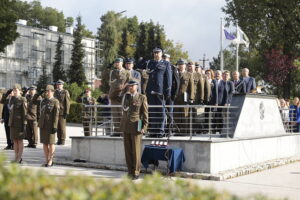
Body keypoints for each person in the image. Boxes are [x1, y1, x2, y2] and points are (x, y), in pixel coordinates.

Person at [120, 80, 148, 180]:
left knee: (136, 151)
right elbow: (123, 110)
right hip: (125, 126)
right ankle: (130, 171)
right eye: (129, 86)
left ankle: (136, 171)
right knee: (128, 151)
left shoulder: (141, 97)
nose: (130, 87)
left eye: (132, 86)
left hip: (136, 126)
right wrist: (125, 97)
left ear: (137, 86)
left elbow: (145, 114)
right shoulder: (126, 97)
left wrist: (144, 127)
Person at [145, 48, 172, 137]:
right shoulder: (150, 63)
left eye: (158, 53)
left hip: (160, 91)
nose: (156, 54)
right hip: (150, 90)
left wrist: (168, 90)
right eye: (155, 53)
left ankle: (160, 130)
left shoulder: (166, 63)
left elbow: (168, 78)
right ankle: (153, 130)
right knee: (152, 110)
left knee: (161, 111)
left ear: (161, 54)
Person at [108, 58, 131, 136]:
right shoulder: (113, 72)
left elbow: (128, 84)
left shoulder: (127, 72)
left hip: (123, 96)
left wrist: (127, 93)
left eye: (118, 62)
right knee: (115, 114)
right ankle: (117, 131)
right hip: (114, 95)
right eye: (115, 62)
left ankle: (122, 131)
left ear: (122, 63)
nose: (116, 64)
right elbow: (113, 83)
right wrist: (122, 86)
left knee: (122, 114)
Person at [39, 85, 60, 167]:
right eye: (46, 91)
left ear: (52, 92)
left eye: (49, 91)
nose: (47, 92)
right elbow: (41, 113)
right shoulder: (43, 101)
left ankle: (51, 160)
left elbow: (56, 115)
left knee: (51, 143)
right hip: (43, 124)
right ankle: (46, 159)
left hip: (51, 125)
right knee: (44, 143)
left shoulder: (55, 101)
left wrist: (55, 126)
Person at [174, 59, 195, 135]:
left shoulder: (189, 74)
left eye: (182, 65)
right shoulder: (175, 74)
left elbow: (191, 87)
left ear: (185, 66)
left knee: (184, 115)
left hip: (185, 98)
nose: (180, 66)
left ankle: (184, 131)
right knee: (176, 115)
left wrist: (191, 98)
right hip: (176, 98)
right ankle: (177, 131)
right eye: (179, 64)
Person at [9, 84, 27, 163]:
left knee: (19, 140)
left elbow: (25, 112)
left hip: (20, 123)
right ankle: (16, 156)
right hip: (12, 123)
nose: (15, 91)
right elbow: (9, 109)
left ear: (20, 91)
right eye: (14, 90)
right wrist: (10, 97)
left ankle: (19, 157)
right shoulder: (12, 99)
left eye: (16, 90)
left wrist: (24, 123)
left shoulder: (23, 99)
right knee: (15, 141)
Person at [163, 53, 179, 135]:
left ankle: (169, 130)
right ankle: (163, 129)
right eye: (164, 58)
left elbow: (177, 82)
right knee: (162, 113)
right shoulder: (160, 67)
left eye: (166, 58)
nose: (165, 59)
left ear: (169, 59)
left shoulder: (173, 68)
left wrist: (174, 94)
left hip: (170, 94)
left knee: (170, 112)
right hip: (162, 94)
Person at [54, 80, 70, 145]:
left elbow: (67, 103)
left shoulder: (65, 92)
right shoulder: (55, 92)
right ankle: (59, 139)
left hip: (62, 112)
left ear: (62, 85)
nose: (58, 86)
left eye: (60, 85)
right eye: (58, 85)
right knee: (57, 126)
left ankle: (62, 140)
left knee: (62, 127)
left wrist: (67, 112)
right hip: (56, 112)